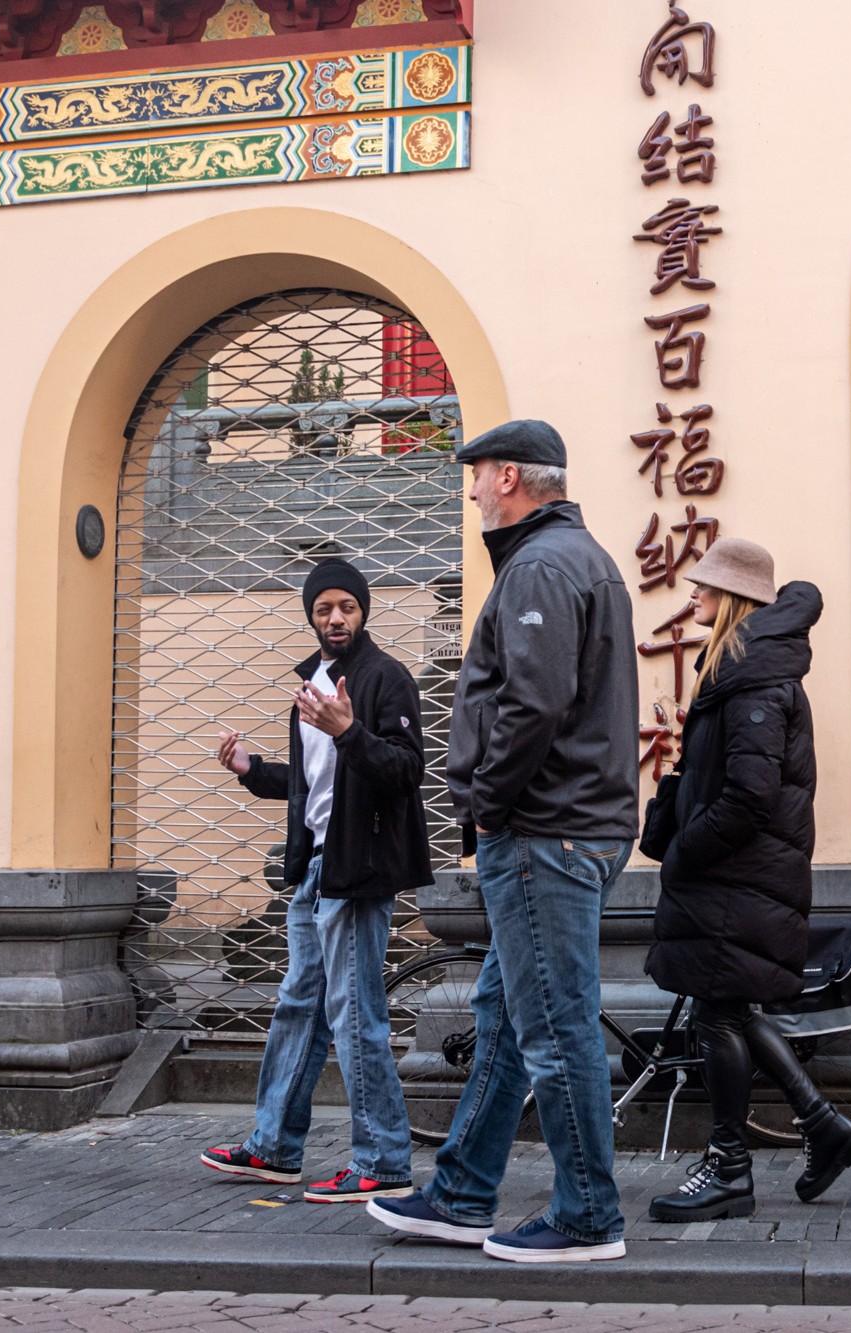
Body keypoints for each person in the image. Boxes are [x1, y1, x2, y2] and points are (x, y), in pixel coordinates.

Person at [368, 419, 639, 1264]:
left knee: (554, 1029)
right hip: (566, 826)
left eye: (478, 476)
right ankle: (460, 1191)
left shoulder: (542, 567)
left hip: (543, 832)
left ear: (513, 477)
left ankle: (590, 1214)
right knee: (503, 1013)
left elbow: (532, 704)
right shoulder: (572, 558)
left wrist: (486, 804)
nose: (475, 490)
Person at [640, 537, 851, 1223]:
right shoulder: (742, 670)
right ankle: (825, 1127)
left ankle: (729, 1169)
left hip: (736, 877)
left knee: (716, 1016)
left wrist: (686, 850)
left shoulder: (754, 678)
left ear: (735, 595)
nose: (692, 599)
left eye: (704, 588)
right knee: (733, 1011)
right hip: (740, 877)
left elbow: (748, 794)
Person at [199, 558, 431, 1203]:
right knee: (300, 1004)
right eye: (325, 608)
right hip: (315, 869)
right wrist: (251, 769)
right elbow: (311, 791)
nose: (336, 618)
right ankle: (273, 1149)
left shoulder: (386, 678)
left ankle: (383, 1161)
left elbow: (406, 771)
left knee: (356, 1016)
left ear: (363, 612)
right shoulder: (312, 684)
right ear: (311, 615)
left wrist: (350, 731)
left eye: (347, 607)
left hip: (359, 872)